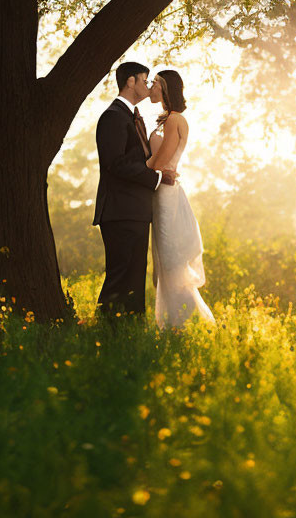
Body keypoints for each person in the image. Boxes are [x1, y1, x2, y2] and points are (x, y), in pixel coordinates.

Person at [92, 62, 175, 321]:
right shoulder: (113, 116)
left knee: (135, 275)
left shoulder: (133, 116)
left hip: (134, 211)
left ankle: (132, 330)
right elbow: (115, 163)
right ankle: (107, 331)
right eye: (144, 79)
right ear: (130, 82)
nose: (147, 85)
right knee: (120, 275)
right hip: (120, 210)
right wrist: (157, 177)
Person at [146, 70, 215, 329]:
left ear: (164, 88)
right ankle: (173, 323)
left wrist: (134, 166)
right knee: (164, 262)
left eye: (153, 83)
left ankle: (182, 323)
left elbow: (161, 162)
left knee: (171, 261)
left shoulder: (175, 120)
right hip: (160, 192)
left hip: (166, 196)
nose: (150, 87)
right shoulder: (167, 120)